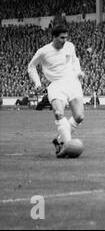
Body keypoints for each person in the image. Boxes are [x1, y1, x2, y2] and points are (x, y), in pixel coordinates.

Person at [28, 25, 85, 158]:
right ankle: (67, 145)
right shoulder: (43, 51)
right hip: (56, 85)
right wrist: (37, 82)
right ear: (54, 37)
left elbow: (75, 60)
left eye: (66, 37)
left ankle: (59, 141)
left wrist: (78, 72)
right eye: (61, 38)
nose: (64, 40)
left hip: (72, 83)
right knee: (59, 112)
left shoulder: (70, 46)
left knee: (79, 117)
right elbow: (31, 66)